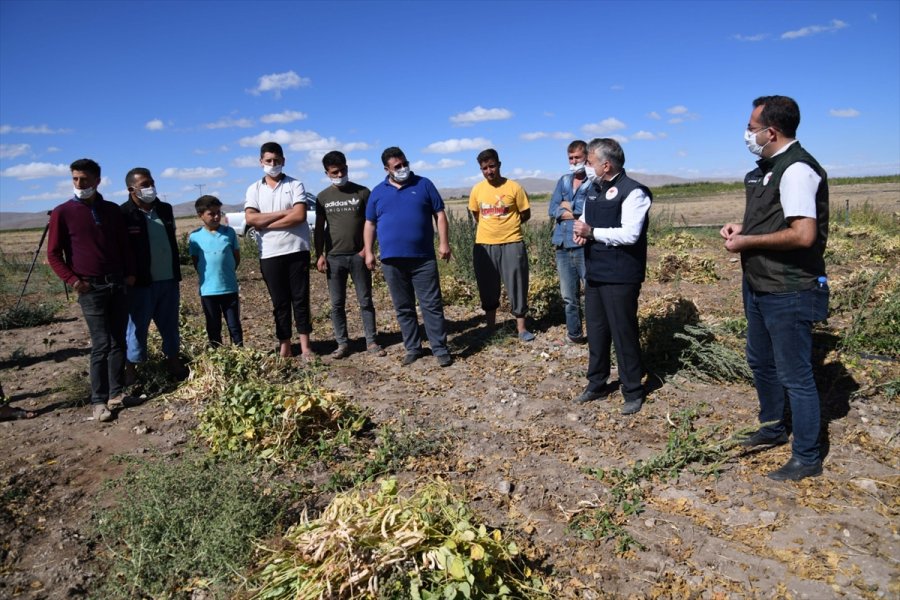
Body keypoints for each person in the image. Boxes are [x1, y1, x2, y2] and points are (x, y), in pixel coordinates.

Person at [721, 95, 829, 482]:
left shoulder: (796, 169)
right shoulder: (766, 169)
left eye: (751, 128)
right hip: (759, 284)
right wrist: (742, 229)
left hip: (790, 289)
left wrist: (747, 244)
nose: (747, 134)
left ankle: (807, 456)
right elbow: (773, 221)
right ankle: (772, 426)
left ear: (771, 131)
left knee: (795, 375)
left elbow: (802, 235)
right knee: (761, 361)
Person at [47, 158, 135, 422]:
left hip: (117, 282)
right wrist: (74, 281)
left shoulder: (111, 210)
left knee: (119, 340)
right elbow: (53, 254)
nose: (79, 184)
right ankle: (98, 401)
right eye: (75, 179)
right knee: (101, 344)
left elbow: (124, 245)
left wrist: (129, 274)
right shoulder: (62, 212)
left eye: (84, 179)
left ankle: (117, 393)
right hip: (90, 286)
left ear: (97, 180)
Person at [573, 138, 651, 415]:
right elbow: (584, 220)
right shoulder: (594, 189)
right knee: (596, 331)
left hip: (621, 275)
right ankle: (596, 382)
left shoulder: (634, 192)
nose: (587, 165)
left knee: (623, 332)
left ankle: (632, 389)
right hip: (595, 272)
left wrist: (592, 233)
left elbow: (630, 234)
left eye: (590, 161)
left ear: (606, 165)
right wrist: (580, 233)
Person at [364, 146, 453, 367]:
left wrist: (444, 242)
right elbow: (370, 223)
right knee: (403, 307)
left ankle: (440, 349)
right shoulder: (377, 192)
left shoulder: (423, 184)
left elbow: (439, 214)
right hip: (392, 260)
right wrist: (368, 251)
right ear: (387, 169)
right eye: (397, 166)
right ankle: (413, 348)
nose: (403, 168)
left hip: (423, 258)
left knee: (431, 305)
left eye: (405, 164)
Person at [244, 141, 314, 359]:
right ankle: (285, 344)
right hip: (270, 254)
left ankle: (305, 347)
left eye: (277, 160)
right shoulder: (254, 189)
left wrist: (265, 223)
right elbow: (250, 218)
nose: (273, 164)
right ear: (261, 162)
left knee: (300, 299)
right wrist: (284, 214)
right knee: (280, 302)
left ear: (283, 161)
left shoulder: (295, 185)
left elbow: (299, 216)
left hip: (296, 250)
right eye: (268, 161)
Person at [314, 151, 384, 358]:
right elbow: (319, 229)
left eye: (343, 169)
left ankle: (371, 341)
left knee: (365, 300)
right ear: (327, 173)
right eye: (335, 172)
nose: (340, 174)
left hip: (358, 255)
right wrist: (319, 254)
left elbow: (372, 222)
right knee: (337, 304)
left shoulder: (363, 192)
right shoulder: (323, 197)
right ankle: (342, 344)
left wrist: (368, 249)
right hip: (334, 258)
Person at [121, 168, 186, 383]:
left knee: (170, 324)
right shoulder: (124, 214)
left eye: (152, 183)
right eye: (145, 185)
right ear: (131, 189)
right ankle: (132, 368)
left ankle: (173, 361)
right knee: (137, 327)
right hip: (141, 283)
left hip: (168, 279)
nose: (151, 188)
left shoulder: (164, 209)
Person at [467, 148, 534, 341]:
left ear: (499, 165)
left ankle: (521, 328)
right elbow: (476, 215)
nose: (489, 171)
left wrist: (508, 226)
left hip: (512, 242)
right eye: (484, 168)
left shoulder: (514, 187)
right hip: (484, 245)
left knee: (517, 284)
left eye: (492, 166)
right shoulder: (477, 190)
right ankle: (490, 327)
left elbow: (525, 214)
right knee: (487, 286)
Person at [549, 140, 591, 344]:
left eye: (577, 157)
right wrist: (573, 211)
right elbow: (552, 209)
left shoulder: (593, 182)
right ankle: (574, 335)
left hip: (584, 246)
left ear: (587, 158)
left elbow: (590, 211)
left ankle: (597, 334)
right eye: (571, 158)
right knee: (568, 296)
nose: (574, 161)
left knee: (591, 293)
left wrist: (568, 208)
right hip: (563, 245)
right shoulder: (564, 180)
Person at [188, 195, 244, 348]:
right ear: (200, 215)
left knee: (234, 325)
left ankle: (239, 353)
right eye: (211, 213)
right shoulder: (195, 237)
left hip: (229, 287)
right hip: (208, 290)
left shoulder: (229, 233)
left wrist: (227, 273)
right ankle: (217, 354)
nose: (216, 216)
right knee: (213, 325)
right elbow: (196, 262)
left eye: (219, 212)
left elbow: (235, 258)